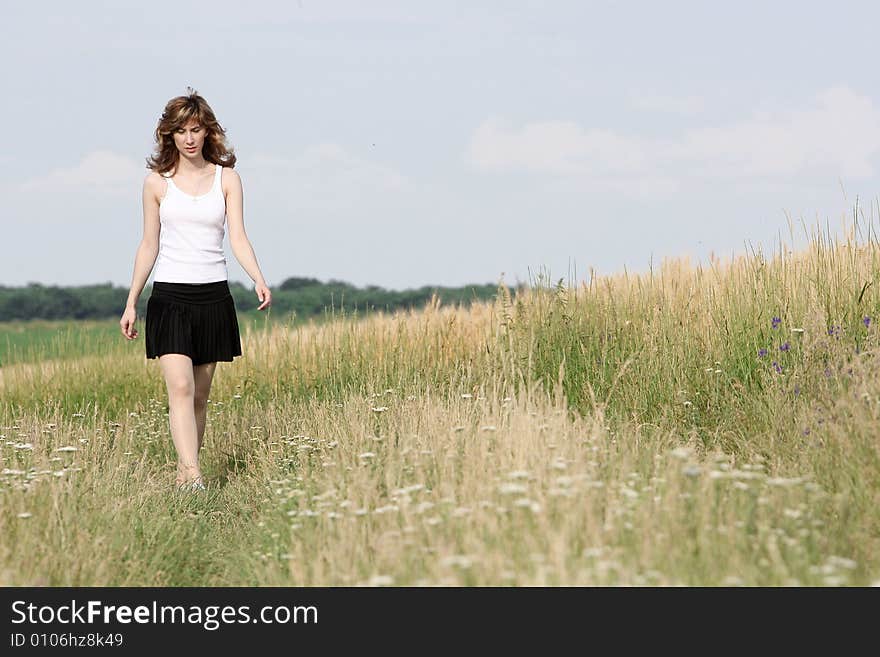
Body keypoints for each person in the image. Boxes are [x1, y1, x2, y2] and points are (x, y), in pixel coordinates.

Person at [119, 87, 272, 492]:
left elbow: (237, 236)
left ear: (208, 133)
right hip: (169, 297)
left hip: (213, 297)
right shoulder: (156, 183)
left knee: (200, 395)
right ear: (169, 135)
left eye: (196, 129)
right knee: (181, 388)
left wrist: (257, 277)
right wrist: (132, 301)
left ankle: (186, 471)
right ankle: (192, 475)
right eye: (181, 130)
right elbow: (148, 243)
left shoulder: (228, 179)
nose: (189, 138)